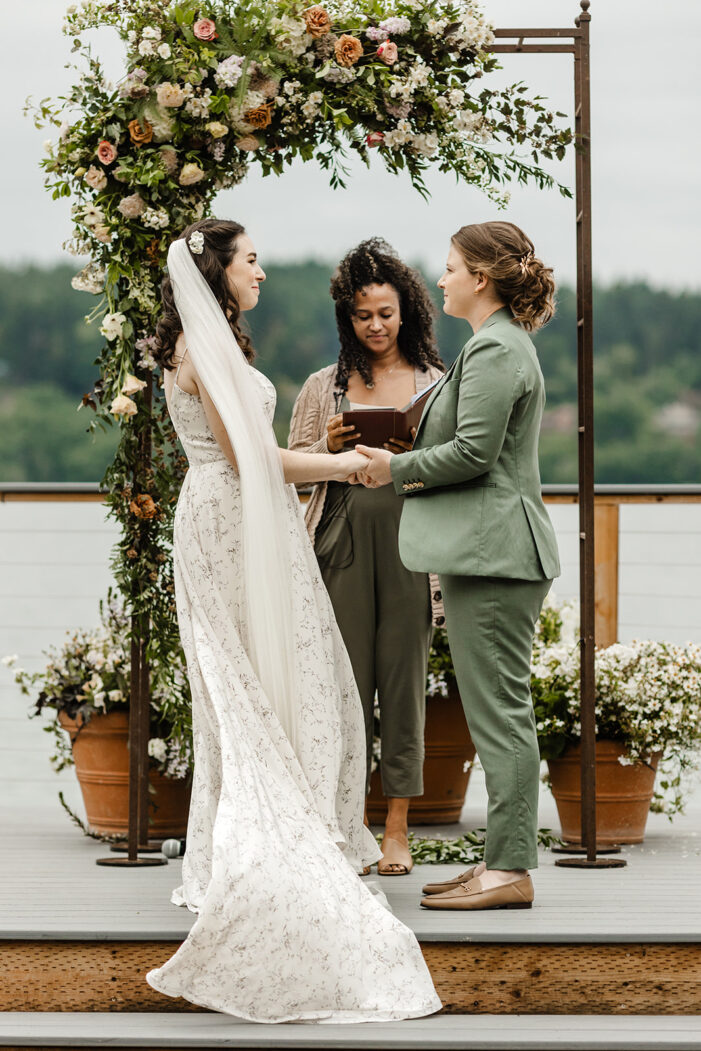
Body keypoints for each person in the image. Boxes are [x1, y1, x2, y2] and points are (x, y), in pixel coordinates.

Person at [145, 219, 440, 1020]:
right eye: (250, 260)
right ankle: (256, 843)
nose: (261, 271)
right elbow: (251, 458)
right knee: (241, 689)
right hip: (227, 521)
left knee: (281, 678)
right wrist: (342, 463)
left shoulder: (212, 342)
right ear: (218, 271)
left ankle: (278, 825)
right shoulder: (198, 350)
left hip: (250, 517)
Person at [356, 221, 561, 911]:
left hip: (497, 557)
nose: (439, 279)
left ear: (480, 277)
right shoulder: (494, 344)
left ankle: (509, 870)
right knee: (495, 712)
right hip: (488, 553)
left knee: (501, 716)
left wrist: (393, 470)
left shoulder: (497, 348)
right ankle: (500, 860)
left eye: (449, 268)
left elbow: (474, 453)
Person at [288, 239, 444, 877]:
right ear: (346, 319)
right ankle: (346, 825)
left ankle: (397, 828)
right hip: (340, 544)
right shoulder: (322, 387)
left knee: (404, 687)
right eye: (362, 316)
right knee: (342, 689)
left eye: (385, 313)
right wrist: (327, 447)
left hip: (413, 546)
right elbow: (290, 470)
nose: (375, 326)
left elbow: (457, 468)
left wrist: (411, 460)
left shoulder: (438, 384)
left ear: (407, 311)